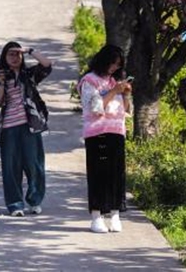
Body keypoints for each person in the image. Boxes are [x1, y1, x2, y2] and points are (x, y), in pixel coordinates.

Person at [0, 41, 53, 216]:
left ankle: (34, 200)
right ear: (4, 57)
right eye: (10, 54)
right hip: (9, 128)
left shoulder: (29, 74)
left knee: (34, 165)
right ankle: (15, 205)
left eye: (18, 54)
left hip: (30, 126)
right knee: (11, 167)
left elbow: (47, 65)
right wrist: (2, 84)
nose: (15, 57)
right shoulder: (1, 77)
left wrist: (30, 50)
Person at [77, 44, 132, 233]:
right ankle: (96, 216)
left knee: (117, 175)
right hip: (97, 132)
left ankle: (115, 214)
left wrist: (125, 94)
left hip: (117, 131)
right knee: (98, 175)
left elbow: (124, 110)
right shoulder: (89, 81)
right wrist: (114, 91)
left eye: (118, 65)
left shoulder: (114, 81)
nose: (114, 68)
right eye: (112, 64)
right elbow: (94, 108)